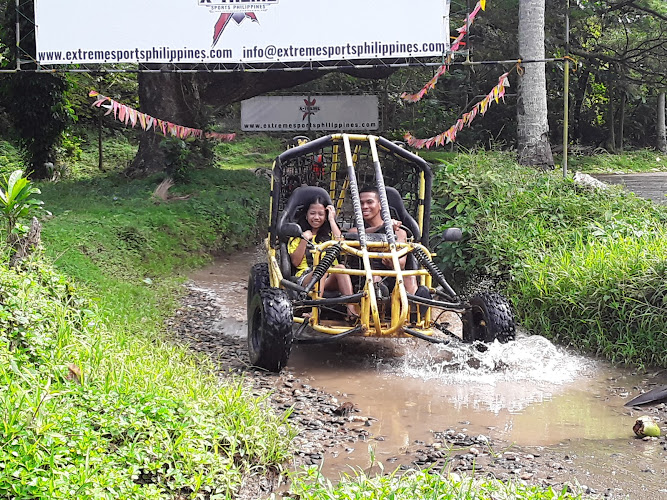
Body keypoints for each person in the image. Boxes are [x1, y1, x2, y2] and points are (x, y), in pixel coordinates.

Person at [287, 195, 359, 319]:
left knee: (341, 267)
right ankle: (315, 311)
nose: (316, 217)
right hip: (306, 277)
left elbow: (342, 245)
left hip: (330, 276)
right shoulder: (298, 235)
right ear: (306, 215)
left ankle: (351, 311)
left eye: (321, 214)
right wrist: (304, 239)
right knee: (321, 269)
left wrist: (332, 220)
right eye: (312, 213)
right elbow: (296, 262)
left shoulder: (330, 235)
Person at [353, 186, 419, 295]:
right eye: (361, 203)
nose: (365, 206)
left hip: (393, 277)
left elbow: (401, 263)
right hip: (363, 280)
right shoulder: (356, 231)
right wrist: (383, 227)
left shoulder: (398, 231)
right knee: (374, 277)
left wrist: (390, 260)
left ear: (380, 205)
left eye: (369, 202)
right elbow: (355, 234)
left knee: (409, 276)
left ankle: (413, 307)